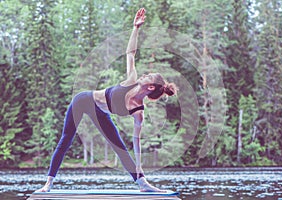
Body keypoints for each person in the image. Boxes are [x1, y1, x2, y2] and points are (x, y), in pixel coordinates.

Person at [36, 8, 177, 193]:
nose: (144, 74)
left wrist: (140, 168)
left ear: (151, 87)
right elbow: (130, 53)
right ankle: (48, 184)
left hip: (100, 112)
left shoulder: (138, 112)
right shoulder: (131, 80)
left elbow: (137, 142)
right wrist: (136, 28)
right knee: (66, 139)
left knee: (120, 146)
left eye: (148, 76)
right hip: (83, 101)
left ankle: (142, 183)